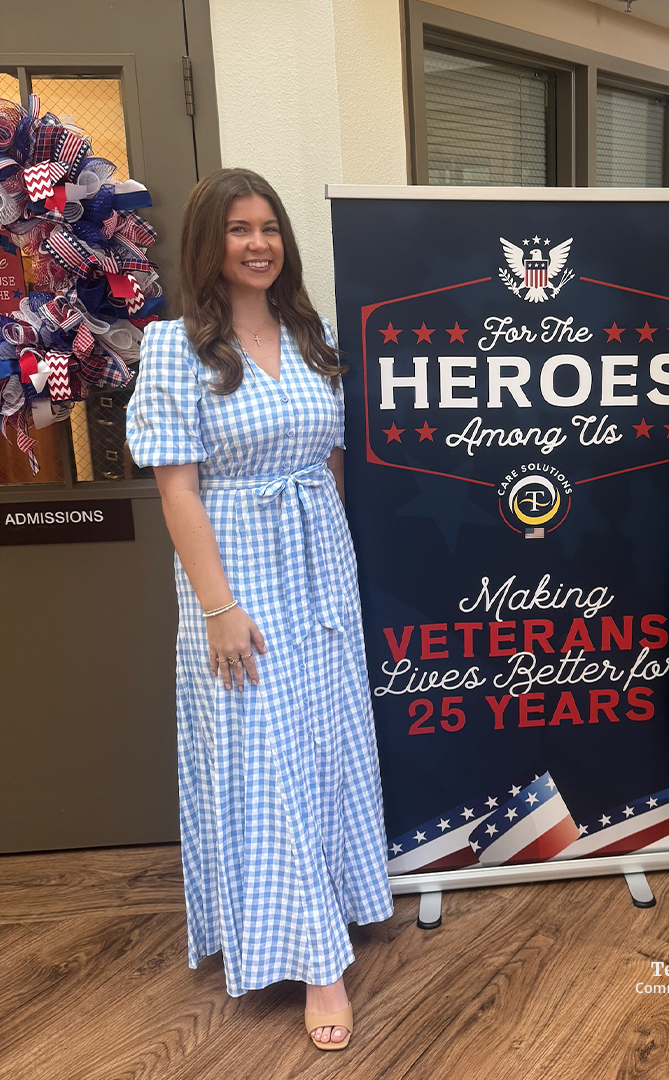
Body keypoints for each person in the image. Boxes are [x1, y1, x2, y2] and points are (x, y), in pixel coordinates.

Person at [128, 168, 392, 1048]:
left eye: (270, 227)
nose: (259, 243)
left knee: (324, 740)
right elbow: (178, 492)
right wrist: (217, 607)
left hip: (320, 563)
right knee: (260, 750)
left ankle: (333, 901)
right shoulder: (174, 347)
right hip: (235, 569)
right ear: (210, 242)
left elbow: (334, 460)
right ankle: (318, 962)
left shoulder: (309, 334)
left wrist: (338, 557)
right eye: (240, 229)